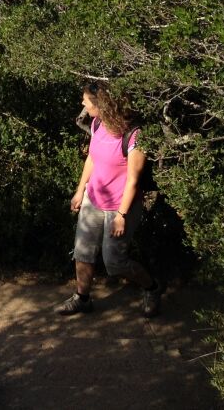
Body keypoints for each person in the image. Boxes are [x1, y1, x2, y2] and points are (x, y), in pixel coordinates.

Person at [56, 81, 162, 317]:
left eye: (86, 100)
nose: (83, 103)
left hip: (120, 207)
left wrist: (122, 216)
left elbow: (133, 180)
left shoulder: (134, 135)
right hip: (93, 199)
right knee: (83, 251)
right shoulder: (97, 124)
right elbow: (92, 159)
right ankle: (82, 298)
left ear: (101, 104)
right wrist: (80, 189)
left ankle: (152, 288)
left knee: (114, 262)